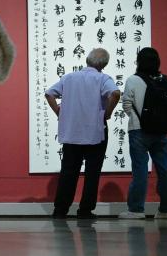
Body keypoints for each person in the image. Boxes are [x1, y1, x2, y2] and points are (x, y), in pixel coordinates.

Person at [44, 48, 120, 219]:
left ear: (87, 60)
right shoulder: (103, 79)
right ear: (104, 64)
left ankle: (60, 210)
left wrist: (58, 112)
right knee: (92, 173)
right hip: (96, 132)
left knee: (68, 172)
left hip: (72, 132)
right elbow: (115, 94)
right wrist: (107, 114)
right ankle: (85, 210)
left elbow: (49, 94)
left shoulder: (69, 77)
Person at [117, 47, 167, 219]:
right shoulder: (164, 80)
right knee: (164, 170)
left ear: (139, 62)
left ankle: (136, 209)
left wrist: (139, 119)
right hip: (161, 131)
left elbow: (126, 104)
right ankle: (166, 210)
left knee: (140, 170)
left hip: (139, 131)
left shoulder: (133, 80)